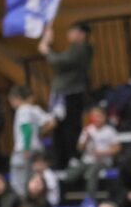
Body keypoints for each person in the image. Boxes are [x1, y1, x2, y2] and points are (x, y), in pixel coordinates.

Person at [39, 22, 93, 169]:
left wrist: (46, 50)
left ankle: (71, 159)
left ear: (82, 34)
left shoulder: (83, 49)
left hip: (71, 94)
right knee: (59, 127)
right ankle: (61, 160)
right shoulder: (73, 49)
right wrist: (48, 42)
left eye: (73, 31)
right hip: (62, 94)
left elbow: (60, 63)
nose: (69, 34)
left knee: (70, 127)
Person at [64, 105, 121, 200]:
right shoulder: (88, 129)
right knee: (69, 175)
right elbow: (79, 148)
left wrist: (103, 152)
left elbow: (117, 149)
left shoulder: (110, 131)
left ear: (104, 117)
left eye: (98, 116)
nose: (96, 119)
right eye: (94, 116)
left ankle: (90, 200)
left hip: (103, 161)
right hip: (87, 160)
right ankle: (63, 200)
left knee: (91, 173)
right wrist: (86, 139)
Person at [8, 85, 54, 197]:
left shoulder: (22, 110)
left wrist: (26, 147)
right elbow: (51, 122)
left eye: (11, 101)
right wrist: (39, 134)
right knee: (32, 178)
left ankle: (23, 202)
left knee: (19, 181)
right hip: (37, 148)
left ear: (17, 98)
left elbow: (27, 129)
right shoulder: (35, 109)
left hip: (23, 150)